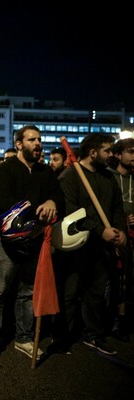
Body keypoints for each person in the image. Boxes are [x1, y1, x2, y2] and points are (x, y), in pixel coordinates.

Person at [0, 125, 63, 360]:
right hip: (9, 242)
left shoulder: (45, 172)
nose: (38, 143)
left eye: (39, 139)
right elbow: (3, 201)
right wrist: (33, 212)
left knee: (28, 291)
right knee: (0, 292)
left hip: (36, 241)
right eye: (32, 139)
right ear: (19, 144)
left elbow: (59, 197)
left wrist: (51, 201)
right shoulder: (5, 169)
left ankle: (24, 337)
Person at [55, 134, 126, 356]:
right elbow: (70, 211)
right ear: (93, 153)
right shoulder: (70, 177)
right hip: (76, 245)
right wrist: (99, 229)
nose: (112, 155)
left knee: (96, 292)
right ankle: (63, 336)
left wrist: (120, 230)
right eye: (107, 151)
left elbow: (117, 208)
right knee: (70, 292)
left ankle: (93, 334)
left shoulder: (108, 178)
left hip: (102, 248)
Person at [107, 138, 134, 340]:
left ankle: (123, 322)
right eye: (130, 152)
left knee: (127, 280)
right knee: (113, 279)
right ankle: (110, 321)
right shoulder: (109, 177)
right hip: (114, 234)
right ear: (117, 154)